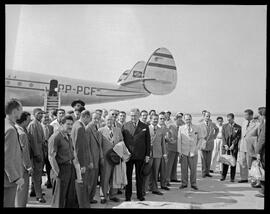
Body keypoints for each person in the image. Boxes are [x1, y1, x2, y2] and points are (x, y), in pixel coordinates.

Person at [48, 115, 79, 208]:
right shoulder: (55, 137)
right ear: (61, 124)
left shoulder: (68, 136)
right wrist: (58, 173)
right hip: (60, 169)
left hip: (70, 169)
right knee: (59, 199)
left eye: (71, 124)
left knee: (70, 197)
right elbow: (51, 157)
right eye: (68, 124)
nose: (70, 126)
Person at [122, 108, 151, 201]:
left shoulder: (145, 126)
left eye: (135, 115)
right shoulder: (125, 125)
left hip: (140, 155)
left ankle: (140, 195)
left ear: (139, 116)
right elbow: (122, 141)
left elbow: (148, 141)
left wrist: (147, 155)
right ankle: (128, 195)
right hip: (129, 156)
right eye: (131, 115)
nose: (133, 117)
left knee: (139, 177)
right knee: (128, 176)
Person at [71, 110, 94, 206]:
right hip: (80, 162)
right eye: (89, 119)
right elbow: (79, 148)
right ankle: (83, 204)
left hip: (78, 160)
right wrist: (82, 164)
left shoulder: (76, 124)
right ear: (86, 117)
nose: (89, 121)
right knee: (82, 186)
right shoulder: (80, 127)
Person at [98, 115, 123, 203]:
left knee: (114, 177)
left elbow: (121, 142)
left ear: (114, 121)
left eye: (111, 120)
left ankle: (112, 195)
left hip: (115, 158)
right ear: (105, 120)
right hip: (105, 158)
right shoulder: (100, 130)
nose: (109, 121)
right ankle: (103, 196)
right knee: (105, 177)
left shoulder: (118, 130)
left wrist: (120, 154)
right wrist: (101, 157)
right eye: (108, 119)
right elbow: (99, 146)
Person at [4, 98, 24, 207]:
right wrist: (16, 178)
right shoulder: (10, 130)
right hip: (8, 181)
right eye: (20, 109)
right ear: (15, 111)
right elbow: (7, 159)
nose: (22, 112)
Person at [178, 114, 202, 190]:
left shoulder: (197, 127)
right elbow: (179, 140)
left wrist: (196, 149)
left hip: (193, 152)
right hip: (184, 152)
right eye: (186, 119)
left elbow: (200, 139)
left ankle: (193, 184)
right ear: (184, 120)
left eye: (189, 119)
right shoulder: (181, 128)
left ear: (191, 119)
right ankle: (184, 183)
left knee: (193, 169)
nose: (188, 121)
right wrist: (179, 152)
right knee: (183, 169)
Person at [27, 108, 46, 203]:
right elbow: (33, 141)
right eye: (39, 113)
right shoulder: (33, 125)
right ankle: (39, 196)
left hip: (40, 152)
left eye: (42, 113)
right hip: (36, 154)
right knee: (37, 176)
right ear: (34, 114)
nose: (41, 115)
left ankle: (34, 191)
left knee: (37, 175)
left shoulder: (39, 124)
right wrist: (37, 154)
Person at [15, 111, 33, 207]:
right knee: (22, 192)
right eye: (29, 120)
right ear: (25, 120)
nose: (30, 122)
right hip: (22, 167)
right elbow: (25, 152)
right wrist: (29, 166)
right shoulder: (22, 133)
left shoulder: (14, 129)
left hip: (14, 165)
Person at [85, 112, 104, 204]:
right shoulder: (88, 129)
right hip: (91, 159)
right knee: (90, 181)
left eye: (98, 118)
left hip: (97, 159)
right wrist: (90, 161)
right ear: (90, 118)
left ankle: (91, 197)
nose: (96, 120)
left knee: (94, 181)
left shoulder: (97, 128)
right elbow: (87, 146)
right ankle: (87, 199)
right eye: (94, 118)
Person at [147, 114, 166, 195]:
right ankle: (146, 188)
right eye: (154, 119)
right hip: (149, 154)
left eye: (156, 119)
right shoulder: (146, 129)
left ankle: (154, 188)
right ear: (150, 119)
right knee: (147, 172)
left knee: (155, 172)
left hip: (158, 154)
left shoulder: (160, 130)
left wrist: (164, 153)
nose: (155, 120)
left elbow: (163, 143)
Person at [220, 113, 241, 182]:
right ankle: (223, 176)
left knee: (233, 162)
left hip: (233, 148)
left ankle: (232, 177)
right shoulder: (224, 126)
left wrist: (233, 145)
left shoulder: (238, 127)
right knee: (225, 162)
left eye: (230, 119)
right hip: (225, 147)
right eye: (228, 119)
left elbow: (237, 137)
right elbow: (223, 136)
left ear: (233, 118)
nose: (229, 121)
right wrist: (225, 145)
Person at [238, 109, 257, 183]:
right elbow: (242, 135)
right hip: (243, 145)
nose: (244, 116)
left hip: (251, 146)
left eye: (246, 115)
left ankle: (254, 179)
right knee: (242, 162)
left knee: (251, 164)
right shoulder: (244, 123)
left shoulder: (256, 123)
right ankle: (244, 178)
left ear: (251, 115)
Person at [198, 111, 219, 178]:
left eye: (209, 116)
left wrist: (214, 136)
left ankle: (207, 172)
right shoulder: (200, 124)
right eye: (207, 116)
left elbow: (217, 129)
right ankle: (203, 173)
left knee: (209, 159)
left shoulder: (212, 124)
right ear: (204, 116)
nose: (208, 117)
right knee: (203, 159)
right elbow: (197, 132)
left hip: (210, 143)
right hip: (202, 144)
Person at [166, 113, 184, 186]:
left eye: (181, 120)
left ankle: (173, 177)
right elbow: (167, 136)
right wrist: (170, 140)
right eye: (179, 120)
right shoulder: (171, 126)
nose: (180, 122)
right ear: (176, 120)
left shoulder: (180, 127)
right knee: (169, 165)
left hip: (177, 148)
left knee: (174, 164)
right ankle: (166, 179)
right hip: (170, 148)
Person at [253, 107, 265, 198]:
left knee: (262, 170)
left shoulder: (264, 124)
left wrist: (257, 152)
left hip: (263, 151)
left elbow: (262, 139)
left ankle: (263, 191)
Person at [41, 112, 54, 188]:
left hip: (49, 150)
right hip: (42, 150)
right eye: (45, 117)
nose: (46, 119)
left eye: (47, 117)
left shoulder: (50, 127)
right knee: (40, 169)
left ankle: (49, 181)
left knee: (49, 167)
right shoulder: (39, 127)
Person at [157, 113, 170, 190]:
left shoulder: (166, 128)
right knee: (155, 169)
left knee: (164, 168)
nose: (162, 120)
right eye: (161, 118)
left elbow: (168, 139)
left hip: (165, 150)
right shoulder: (155, 127)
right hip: (157, 150)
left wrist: (168, 138)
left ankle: (163, 184)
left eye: (163, 119)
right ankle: (153, 186)